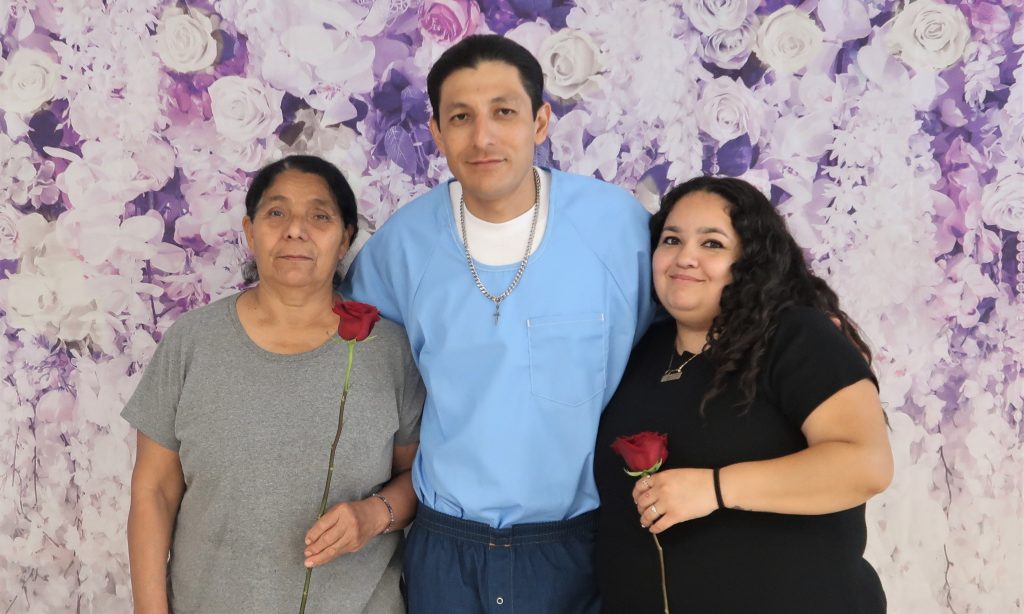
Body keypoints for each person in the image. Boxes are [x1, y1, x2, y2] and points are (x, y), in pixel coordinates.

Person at [344, 35, 653, 613]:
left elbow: (691, 336)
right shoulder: (402, 247)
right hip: (446, 548)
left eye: (504, 112)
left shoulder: (617, 228)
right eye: (461, 117)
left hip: (579, 542)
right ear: (437, 133)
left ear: (540, 122)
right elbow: (357, 383)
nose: (482, 137)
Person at [122, 155, 425, 614]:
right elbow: (154, 491)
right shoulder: (192, 342)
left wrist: (373, 515)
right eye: (276, 213)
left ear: (345, 238)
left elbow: (419, 480)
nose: (295, 230)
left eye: (319, 216)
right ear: (250, 230)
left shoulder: (388, 351)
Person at [594, 176, 894, 613]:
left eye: (712, 244)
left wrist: (715, 488)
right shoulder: (640, 352)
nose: (685, 257)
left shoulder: (796, 336)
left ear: (751, 261)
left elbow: (865, 465)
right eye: (671, 240)